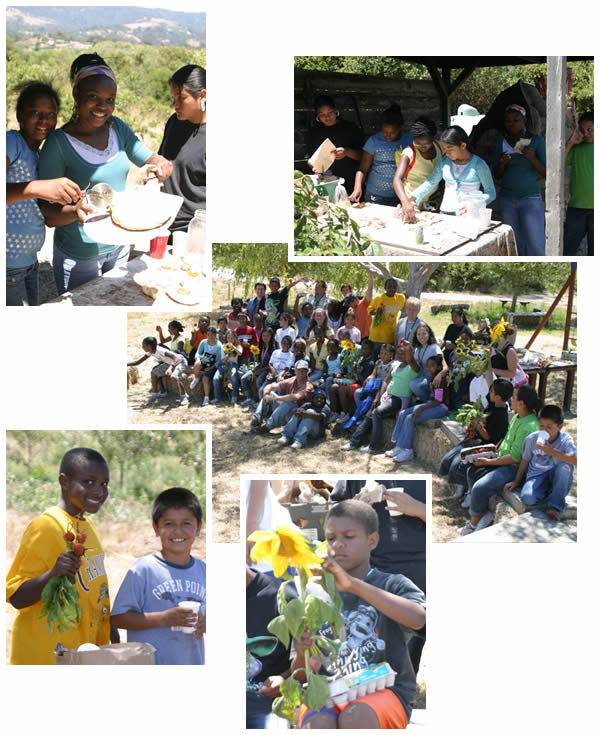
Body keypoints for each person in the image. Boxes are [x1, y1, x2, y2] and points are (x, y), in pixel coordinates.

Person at [38, 53, 173, 295]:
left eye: (110, 99)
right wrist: (75, 211)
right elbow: (47, 213)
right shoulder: (57, 145)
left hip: (120, 245)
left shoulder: (117, 128)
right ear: (76, 94)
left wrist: (162, 165)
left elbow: (152, 159)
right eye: (93, 97)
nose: (103, 106)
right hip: (80, 254)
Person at [292, 500, 425, 729]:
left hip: (384, 691)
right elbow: (300, 675)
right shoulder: (314, 594)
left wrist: (354, 585)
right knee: (319, 722)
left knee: (355, 718)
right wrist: (303, 651)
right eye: (331, 538)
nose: (338, 544)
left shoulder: (392, 584)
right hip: (329, 691)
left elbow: (418, 619)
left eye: (349, 536)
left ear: (372, 541)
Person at [6, 448, 112, 664]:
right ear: (64, 482)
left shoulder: (87, 526)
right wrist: (52, 573)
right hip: (45, 655)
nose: (99, 491)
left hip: (80, 651)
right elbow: (16, 597)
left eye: (104, 484)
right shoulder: (46, 526)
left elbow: (94, 590)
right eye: (89, 482)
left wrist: (108, 626)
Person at [7, 82, 82, 305]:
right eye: (35, 113)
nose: (43, 120)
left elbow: (46, 218)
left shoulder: (39, 156)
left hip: (29, 263)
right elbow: (32, 192)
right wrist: (37, 188)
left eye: (50, 114)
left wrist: (79, 208)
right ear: (20, 115)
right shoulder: (12, 142)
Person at [111, 487, 206, 665]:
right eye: (169, 524)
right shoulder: (143, 570)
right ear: (156, 527)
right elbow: (117, 617)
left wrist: (206, 623)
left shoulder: (205, 571)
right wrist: (164, 618)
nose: (178, 531)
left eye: (186, 523)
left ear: (199, 527)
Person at [458, 385, 541, 535]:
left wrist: (488, 462)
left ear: (521, 403)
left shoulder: (529, 427)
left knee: (479, 487)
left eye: (514, 397)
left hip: (513, 467)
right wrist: (491, 452)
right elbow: (507, 440)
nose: (511, 399)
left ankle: (473, 523)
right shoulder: (517, 416)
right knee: (471, 469)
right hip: (501, 458)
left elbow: (515, 458)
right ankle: (482, 512)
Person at [440, 377, 513, 499]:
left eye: (491, 392)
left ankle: (465, 489)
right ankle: (458, 485)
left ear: (498, 397)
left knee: (457, 465)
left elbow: (488, 437)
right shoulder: (493, 405)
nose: (489, 393)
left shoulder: (500, 414)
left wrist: (477, 424)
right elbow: (485, 418)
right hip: (473, 440)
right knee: (447, 460)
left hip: (484, 446)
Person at [343, 342, 419, 454]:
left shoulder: (413, 366)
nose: (401, 356)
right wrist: (378, 397)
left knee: (377, 412)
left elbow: (412, 362)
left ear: (409, 353)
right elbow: (385, 382)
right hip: (388, 396)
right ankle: (354, 442)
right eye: (399, 354)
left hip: (399, 398)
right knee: (371, 411)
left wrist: (408, 350)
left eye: (404, 353)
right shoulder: (396, 364)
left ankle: (375, 446)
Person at [504, 405, 577, 520]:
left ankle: (555, 507)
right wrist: (517, 481)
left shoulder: (565, 439)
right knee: (528, 498)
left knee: (565, 466)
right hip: (537, 475)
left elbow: (575, 460)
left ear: (560, 426)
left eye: (549, 427)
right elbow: (525, 460)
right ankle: (550, 493)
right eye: (541, 426)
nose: (544, 430)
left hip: (555, 475)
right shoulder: (532, 439)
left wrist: (550, 451)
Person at [246, 565, 296, 728]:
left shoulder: (283, 598)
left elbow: (308, 663)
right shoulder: (203, 593)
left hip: (265, 704)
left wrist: (286, 678)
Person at [493, 105, 547, 256]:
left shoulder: (536, 141)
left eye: (516, 120)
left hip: (530, 198)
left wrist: (532, 158)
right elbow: (497, 175)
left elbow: (547, 172)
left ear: (524, 119)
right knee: (514, 243)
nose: (511, 123)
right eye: (508, 121)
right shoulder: (502, 143)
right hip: (507, 200)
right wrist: (503, 164)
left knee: (536, 244)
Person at [158, 64, 206, 232]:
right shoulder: (174, 122)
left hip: (192, 230)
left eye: (181, 98)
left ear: (202, 95)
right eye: (173, 98)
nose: (175, 104)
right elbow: (162, 160)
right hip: (160, 222)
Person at [409, 125, 495, 216]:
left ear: (463, 145)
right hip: (444, 212)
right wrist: (411, 197)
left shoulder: (479, 164)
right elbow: (430, 183)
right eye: (445, 149)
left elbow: (490, 193)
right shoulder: (444, 161)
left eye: (450, 148)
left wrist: (473, 204)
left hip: (467, 214)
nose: (446, 152)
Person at [388, 355, 449, 463]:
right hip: (431, 404)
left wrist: (421, 408)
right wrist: (422, 406)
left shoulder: (440, 380)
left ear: (439, 367)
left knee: (410, 418)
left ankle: (407, 450)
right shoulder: (433, 377)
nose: (428, 368)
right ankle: (399, 445)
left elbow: (438, 401)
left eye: (432, 366)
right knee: (403, 413)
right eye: (427, 366)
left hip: (440, 407)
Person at [350, 105, 413, 206]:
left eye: (392, 132)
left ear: (400, 128)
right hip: (375, 195)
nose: (387, 135)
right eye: (384, 132)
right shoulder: (374, 141)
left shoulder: (409, 140)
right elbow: (362, 169)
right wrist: (357, 187)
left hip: (400, 195)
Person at [393, 116, 443, 223]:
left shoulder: (441, 147)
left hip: (433, 201)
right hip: (412, 202)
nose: (422, 147)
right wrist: (405, 201)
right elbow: (397, 178)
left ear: (433, 139)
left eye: (426, 144)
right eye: (418, 144)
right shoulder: (409, 153)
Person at [306, 95, 363, 184]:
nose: (327, 117)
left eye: (330, 113)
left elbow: (363, 155)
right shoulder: (315, 132)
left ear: (335, 110)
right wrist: (315, 167)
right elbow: (310, 158)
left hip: (350, 179)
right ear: (317, 116)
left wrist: (346, 152)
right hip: (326, 180)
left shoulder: (350, 128)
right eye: (322, 115)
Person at [248, 360, 314, 434]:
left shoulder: (308, 386)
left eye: (304, 371)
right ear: (295, 371)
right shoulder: (292, 379)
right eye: (299, 370)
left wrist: (274, 398)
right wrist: (266, 394)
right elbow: (270, 386)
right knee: (270, 394)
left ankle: (267, 427)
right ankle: (256, 421)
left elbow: (294, 397)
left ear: (307, 372)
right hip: (287, 412)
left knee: (289, 403)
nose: (301, 373)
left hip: (297, 416)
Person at [564, 111, 594, 256]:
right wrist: (570, 143)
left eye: (590, 129)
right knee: (568, 249)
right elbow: (558, 164)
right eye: (583, 130)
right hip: (576, 208)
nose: (586, 133)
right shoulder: (576, 149)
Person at [128, 336, 189, 405]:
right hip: (169, 363)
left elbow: (174, 357)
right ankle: (156, 393)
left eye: (144, 345)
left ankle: (184, 396)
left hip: (180, 362)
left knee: (173, 377)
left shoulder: (161, 351)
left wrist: (170, 368)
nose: (142, 347)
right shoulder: (150, 352)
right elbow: (138, 362)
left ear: (149, 346)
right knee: (154, 373)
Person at [330, 339, 375, 424]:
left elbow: (364, 382)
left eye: (366, 349)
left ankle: (345, 414)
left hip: (361, 385)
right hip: (353, 382)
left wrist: (356, 372)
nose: (363, 351)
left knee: (342, 389)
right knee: (333, 387)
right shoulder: (361, 359)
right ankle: (335, 412)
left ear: (371, 350)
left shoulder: (370, 363)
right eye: (362, 348)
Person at [409, 323, 447, 402]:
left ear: (429, 334)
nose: (421, 336)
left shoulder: (434, 348)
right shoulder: (417, 350)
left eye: (424, 333)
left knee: (413, 385)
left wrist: (439, 376)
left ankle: (427, 401)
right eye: (418, 334)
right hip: (421, 377)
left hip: (431, 378)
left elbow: (445, 367)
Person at [368, 278, 406, 355]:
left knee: (387, 359)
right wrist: (376, 312)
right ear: (385, 288)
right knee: (374, 359)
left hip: (390, 336)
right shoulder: (378, 298)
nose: (392, 289)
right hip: (376, 336)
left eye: (394, 287)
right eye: (389, 286)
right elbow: (369, 311)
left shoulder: (400, 298)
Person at [241, 326, 276, 406]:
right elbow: (259, 360)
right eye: (264, 335)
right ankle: (248, 397)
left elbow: (272, 364)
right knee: (244, 378)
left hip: (268, 369)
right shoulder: (261, 345)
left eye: (267, 336)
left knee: (258, 380)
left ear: (271, 336)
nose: (265, 338)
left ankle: (261, 402)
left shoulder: (273, 348)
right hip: (260, 366)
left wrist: (261, 370)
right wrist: (255, 357)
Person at [191, 327, 224, 405]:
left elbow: (219, 360)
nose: (210, 336)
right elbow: (198, 352)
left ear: (215, 335)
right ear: (206, 335)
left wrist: (211, 367)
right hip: (204, 360)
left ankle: (206, 398)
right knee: (196, 364)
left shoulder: (219, 345)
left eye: (212, 334)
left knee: (205, 379)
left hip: (213, 365)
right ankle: (196, 378)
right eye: (208, 334)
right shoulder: (203, 342)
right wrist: (198, 358)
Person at [214, 329, 243, 404]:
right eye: (228, 338)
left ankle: (235, 396)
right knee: (216, 378)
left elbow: (240, 353)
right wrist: (227, 355)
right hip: (224, 365)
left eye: (232, 338)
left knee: (233, 377)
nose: (230, 340)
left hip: (233, 364)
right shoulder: (223, 346)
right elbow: (222, 360)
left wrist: (233, 347)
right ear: (226, 338)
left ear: (235, 338)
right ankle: (217, 397)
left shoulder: (238, 345)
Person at [343, 271, 374, 339]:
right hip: (355, 336)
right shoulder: (350, 309)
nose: (348, 305)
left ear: (354, 300)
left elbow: (370, 289)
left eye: (349, 303)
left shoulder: (364, 303)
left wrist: (370, 274)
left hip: (367, 336)